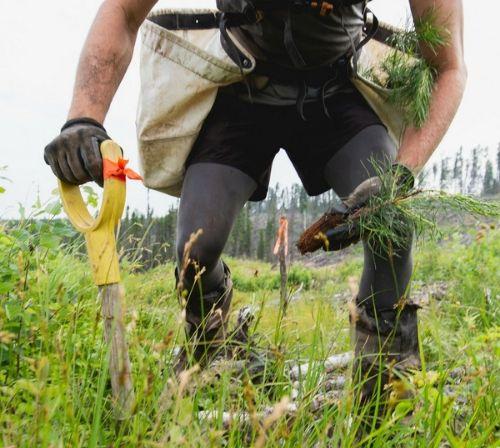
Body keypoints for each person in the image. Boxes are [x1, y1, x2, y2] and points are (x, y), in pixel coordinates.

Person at [44, 0, 466, 399]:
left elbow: (448, 66)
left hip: (336, 93)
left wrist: (398, 176)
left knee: (391, 228)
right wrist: (84, 116)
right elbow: (122, 11)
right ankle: (218, 356)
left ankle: (382, 406)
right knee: (195, 249)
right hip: (242, 90)